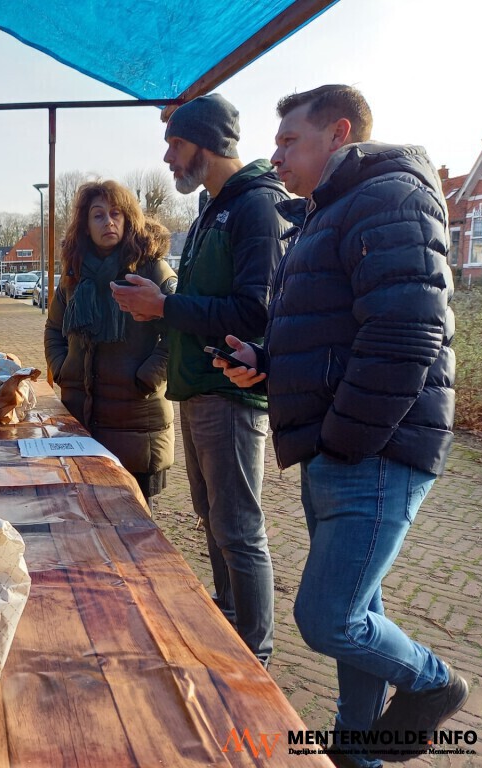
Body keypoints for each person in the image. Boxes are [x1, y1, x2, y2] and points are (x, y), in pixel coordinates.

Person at [217, 85, 466, 767]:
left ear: (340, 133)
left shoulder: (391, 197)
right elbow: (336, 335)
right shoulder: (329, 213)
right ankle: (359, 751)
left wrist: (346, 441)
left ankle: (436, 682)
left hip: (372, 450)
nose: (276, 155)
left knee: (327, 618)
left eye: (290, 139)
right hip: (342, 447)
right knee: (360, 611)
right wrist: (266, 365)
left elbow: (407, 331)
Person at [111, 94, 290, 666]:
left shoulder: (259, 207)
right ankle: (229, 622)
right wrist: (162, 309)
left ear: (209, 144)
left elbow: (254, 313)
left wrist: (165, 307)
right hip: (196, 390)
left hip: (231, 393)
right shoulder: (216, 208)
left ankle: (254, 655)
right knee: (213, 521)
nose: (167, 157)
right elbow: (207, 303)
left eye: (177, 144)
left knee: (239, 527)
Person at [44, 180, 177, 507]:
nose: (109, 222)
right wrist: (62, 369)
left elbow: (179, 331)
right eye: (98, 215)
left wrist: (147, 377)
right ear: (86, 226)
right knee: (84, 517)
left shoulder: (151, 269)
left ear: (129, 219)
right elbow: (53, 328)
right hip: (80, 417)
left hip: (137, 420)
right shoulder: (74, 274)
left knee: (137, 529)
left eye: (116, 213)